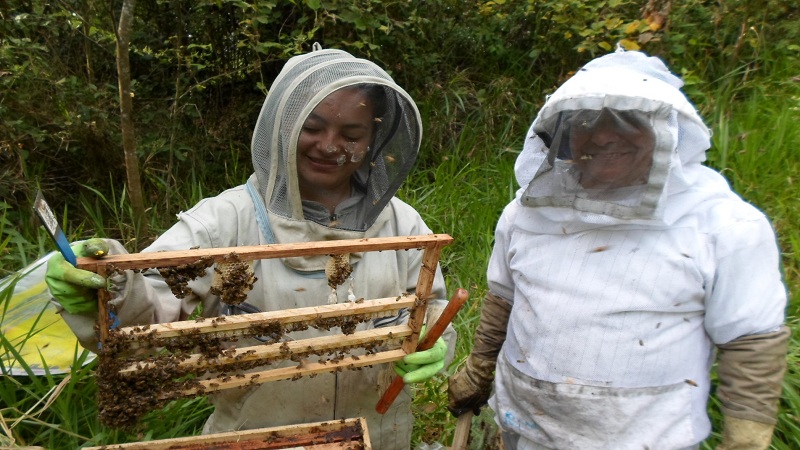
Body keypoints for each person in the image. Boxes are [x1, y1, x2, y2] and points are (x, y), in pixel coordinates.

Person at [45, 44, 455, 450]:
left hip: (379, 435)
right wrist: (107, 288)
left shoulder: (402, 224)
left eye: (351, 134)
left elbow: (430, 307)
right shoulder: (220, 224)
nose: (330, 146)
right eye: (312, 128)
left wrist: (436, 340)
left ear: (374, 139)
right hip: (255, 439)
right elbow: (149, 320)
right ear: (285, 126)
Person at [447, 48, 789, 449]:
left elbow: (750, 342)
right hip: (525, 428)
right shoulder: (525, 213)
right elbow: (504, 299)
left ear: (667, 129)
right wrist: (480, 368)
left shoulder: (723, 224)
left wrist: (746, 439)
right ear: (563, 136)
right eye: (586, 121)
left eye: (629, 120)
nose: (605, 135)